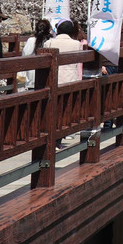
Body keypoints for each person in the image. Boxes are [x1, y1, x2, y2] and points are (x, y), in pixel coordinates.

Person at [47, 19, 83, 150]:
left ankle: (51, 139)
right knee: (64, 111)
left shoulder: (49, 42)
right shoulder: (76, 44)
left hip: (53, 80)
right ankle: (58, 138)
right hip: (69, 80)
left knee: (52, 110)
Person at [21, 19, 54, 90]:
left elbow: (25, 55)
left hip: (32, 76)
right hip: (47, 77)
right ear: (48, 30)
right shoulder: (50, 41)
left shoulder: (31, 40)